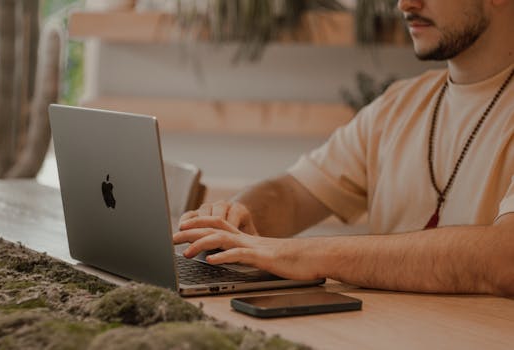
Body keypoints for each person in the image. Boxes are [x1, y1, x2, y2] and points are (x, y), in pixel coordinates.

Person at [173, 0, 514, 297]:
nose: (405, 4)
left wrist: (302, 255)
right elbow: (292, 193)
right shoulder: (399, 104)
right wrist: (236, 219)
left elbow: (504, 259)